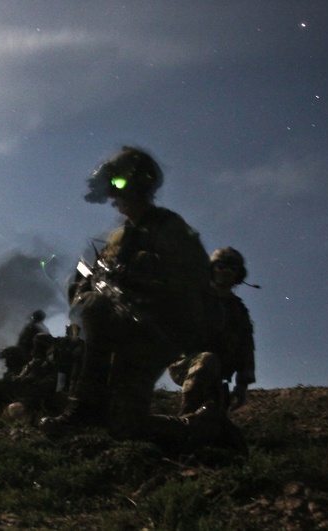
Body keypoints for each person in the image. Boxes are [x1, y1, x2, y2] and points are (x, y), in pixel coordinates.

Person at [40, 146, 216, 451]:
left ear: (138, 185)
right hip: (120, 331)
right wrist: (81, 289)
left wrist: (150, 281)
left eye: (119, 186)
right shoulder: (118, 236)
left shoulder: (169, 227)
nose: (114, 197)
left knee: (95, 308)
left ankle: (83, 409)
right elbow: (91, 279)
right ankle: (198, 426)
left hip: (154, 332)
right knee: (123, 426)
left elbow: (198, 282)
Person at [169, 247, 256, 415]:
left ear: (239, 275)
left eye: (233, 268)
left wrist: (242, 385)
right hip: (184, 362)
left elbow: (246, 349)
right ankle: (185, 420)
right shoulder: (194, 297)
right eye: (221, 266)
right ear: (212, 269)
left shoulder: (238, 311)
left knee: (214, 423)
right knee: (207, 361)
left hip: (217, 373)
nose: (227, 272)